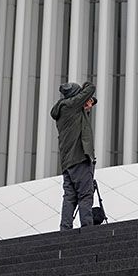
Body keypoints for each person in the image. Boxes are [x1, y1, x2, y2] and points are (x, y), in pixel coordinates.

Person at [50, 81, 97, 230]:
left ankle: (65, 229)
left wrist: (87, 105)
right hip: (80, 159)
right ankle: (88, 229)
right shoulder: (71, 105)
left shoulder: (63, 110)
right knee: (85, 195)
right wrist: (84, 87)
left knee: (69, 197)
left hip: (67, 163)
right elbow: (91, 88)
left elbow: (89, 102)